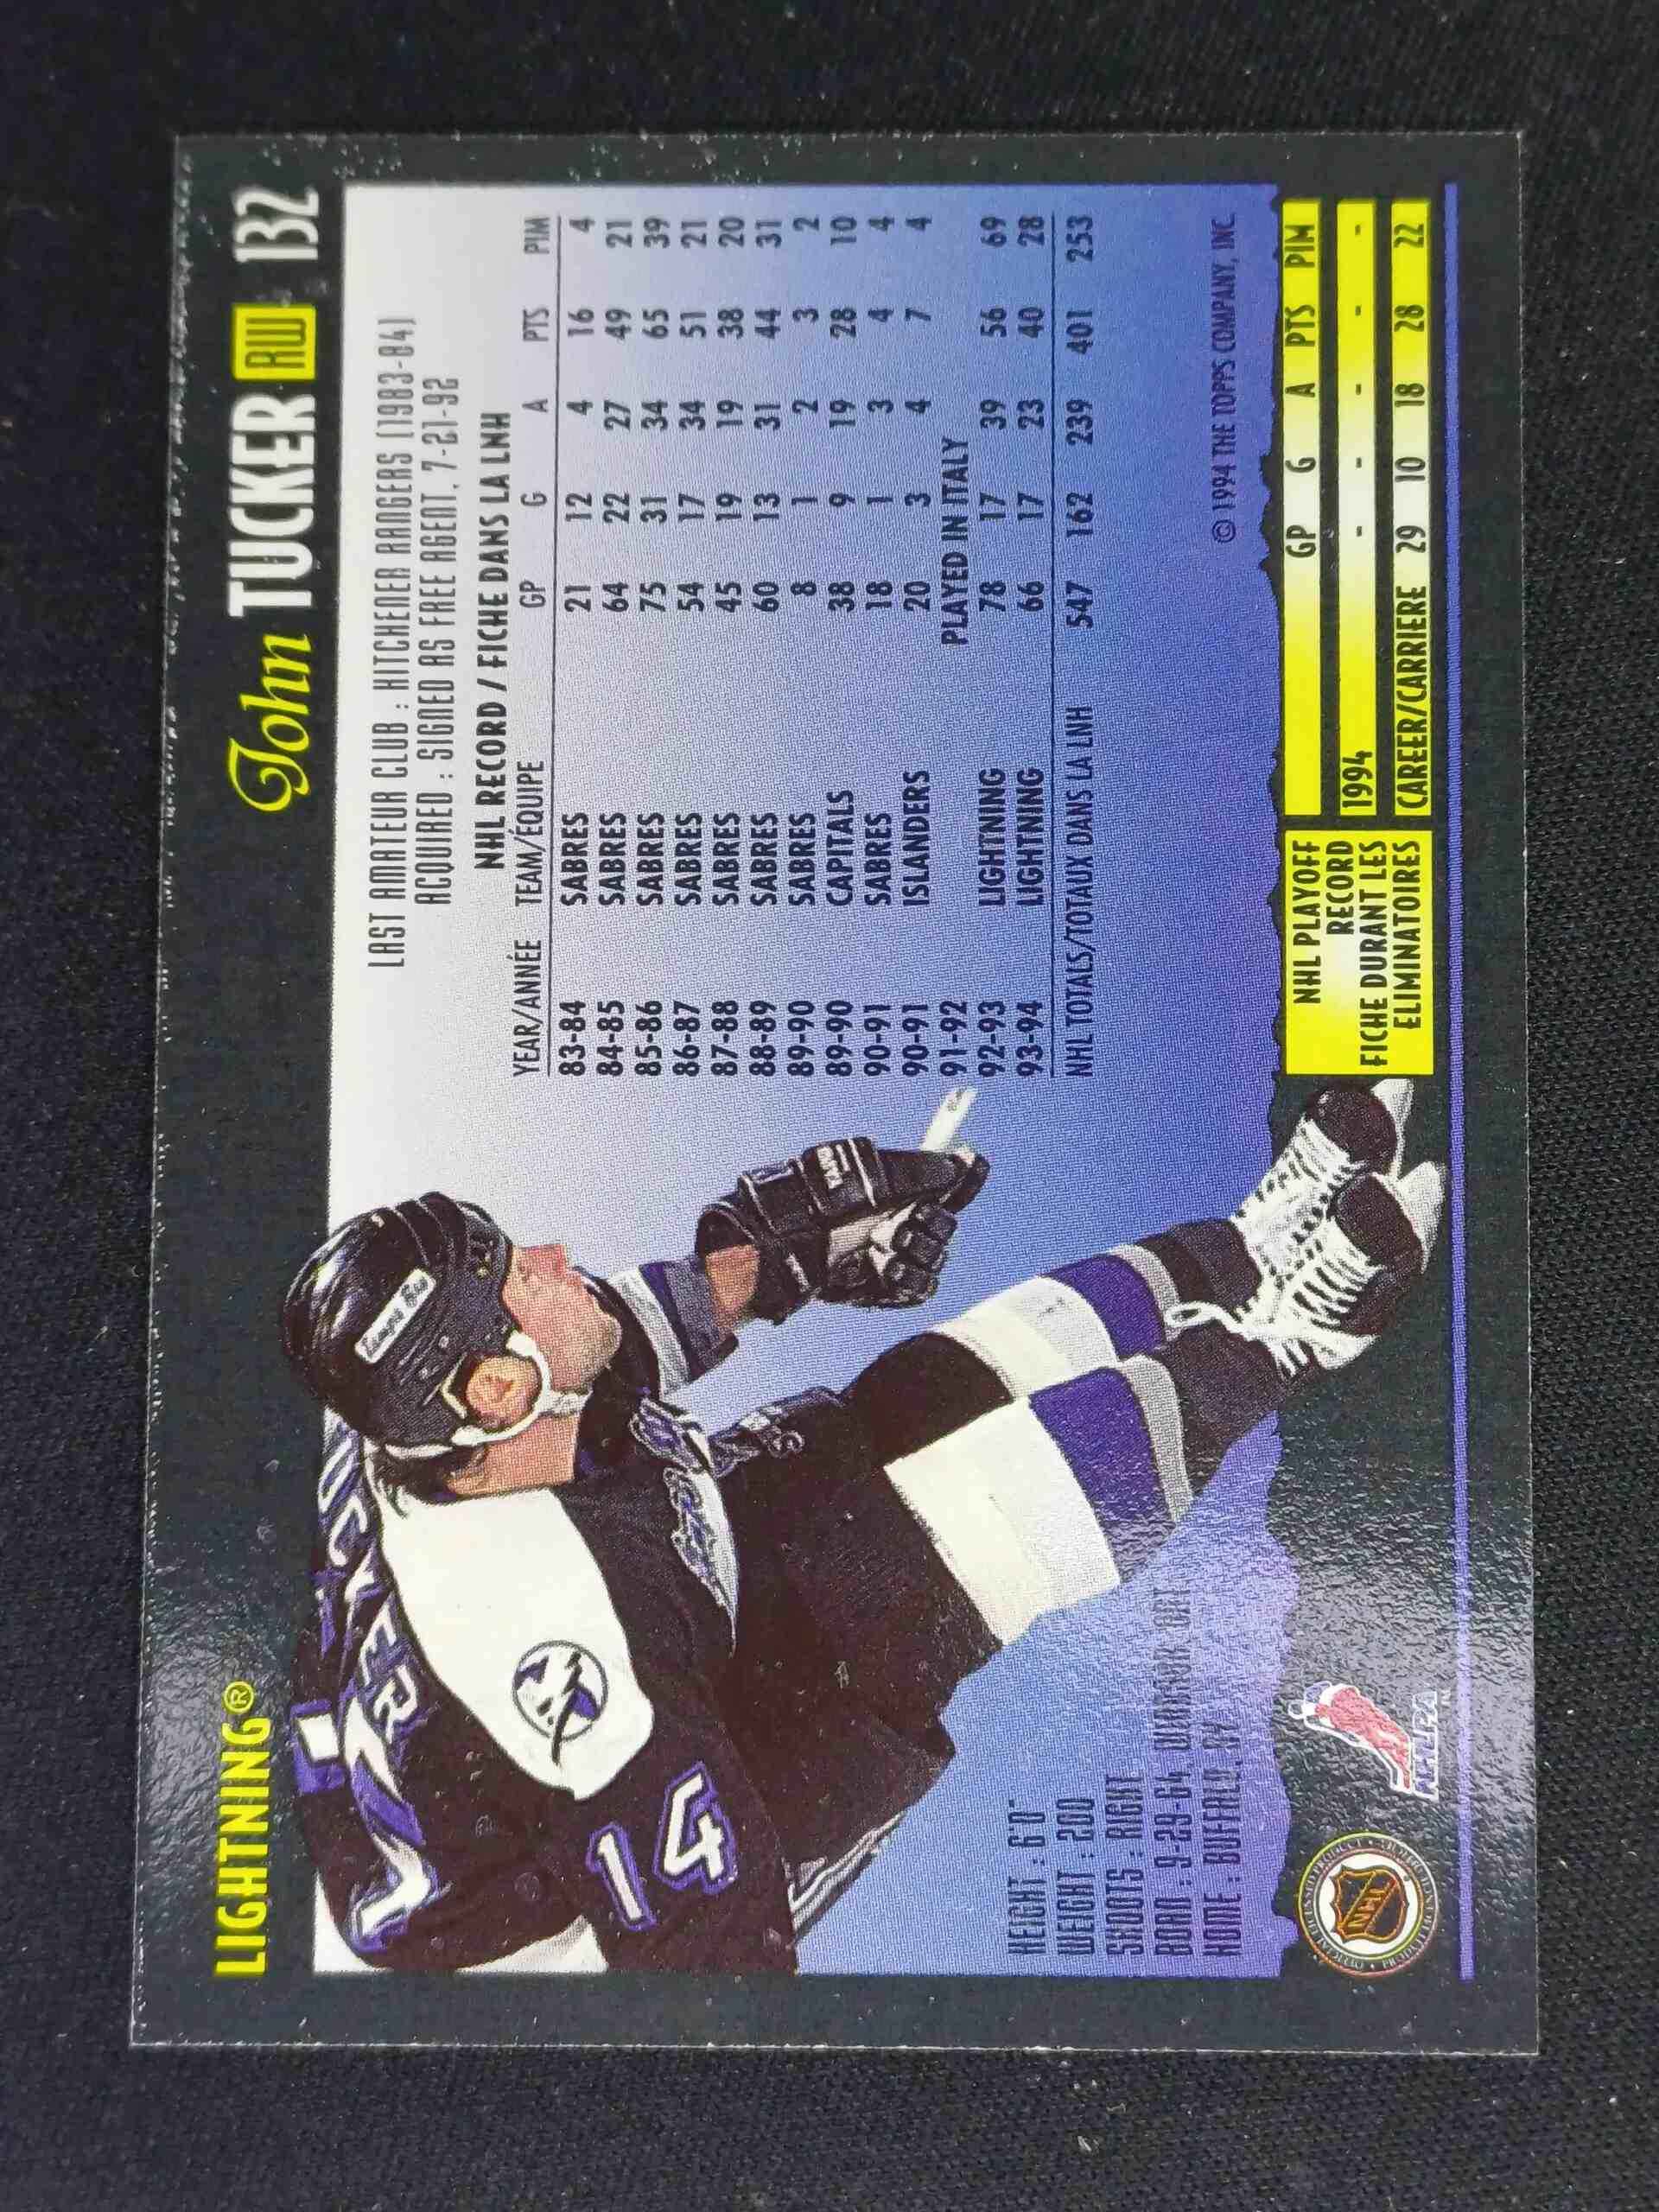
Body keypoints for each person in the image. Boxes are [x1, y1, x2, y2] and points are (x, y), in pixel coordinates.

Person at [282, 1085, 1443, 1973]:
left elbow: (614, 1333)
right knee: (936, 1548)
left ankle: (1247, 1247)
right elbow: (711, 1973)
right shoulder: (552, 1630)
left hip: (527, 1726)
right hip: (599, 1890)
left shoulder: (445, 1420)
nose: (548, 1256)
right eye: (513, 1273)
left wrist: (797, 1255)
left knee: (911, 1399)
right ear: (494, 1392)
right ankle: (1282, 1346)